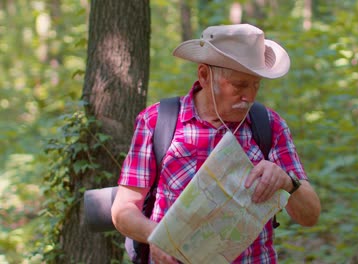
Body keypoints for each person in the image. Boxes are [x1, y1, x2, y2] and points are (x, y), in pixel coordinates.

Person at [111, 23, 321, 264]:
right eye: (239, 85)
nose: (249, 96)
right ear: (204, 75)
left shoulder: (269, 126)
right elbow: (123, 210)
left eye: (256, 85)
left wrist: (288, 182)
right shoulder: (158, 122)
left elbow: (310, 216)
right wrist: (156, 236)